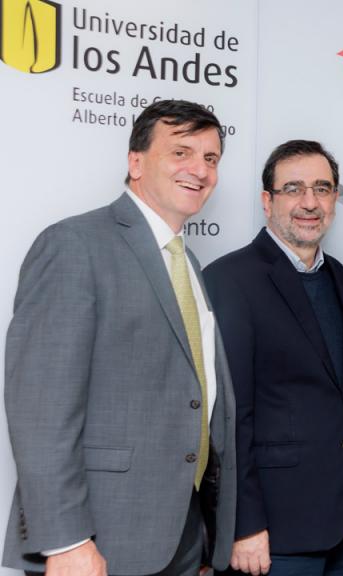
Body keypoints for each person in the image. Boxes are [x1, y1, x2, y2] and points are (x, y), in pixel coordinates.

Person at [3, 99, 236, 574]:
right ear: (135, 162)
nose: (200, 169)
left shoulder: (186, 262)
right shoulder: (74, 244)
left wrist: (207, 531)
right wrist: (66, 541)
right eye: (181, 152)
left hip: (183, 538)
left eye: (210, 159)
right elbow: (42, 408)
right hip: (99, 540)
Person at [204, 140, 343, 575]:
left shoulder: (341, 278)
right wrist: (244, 523)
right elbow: (228, 415)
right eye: (293, 189)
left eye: (322, 188)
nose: (309, 202)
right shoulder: (230, 279)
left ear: (335, 197)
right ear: (267, 200)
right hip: (274, 528)